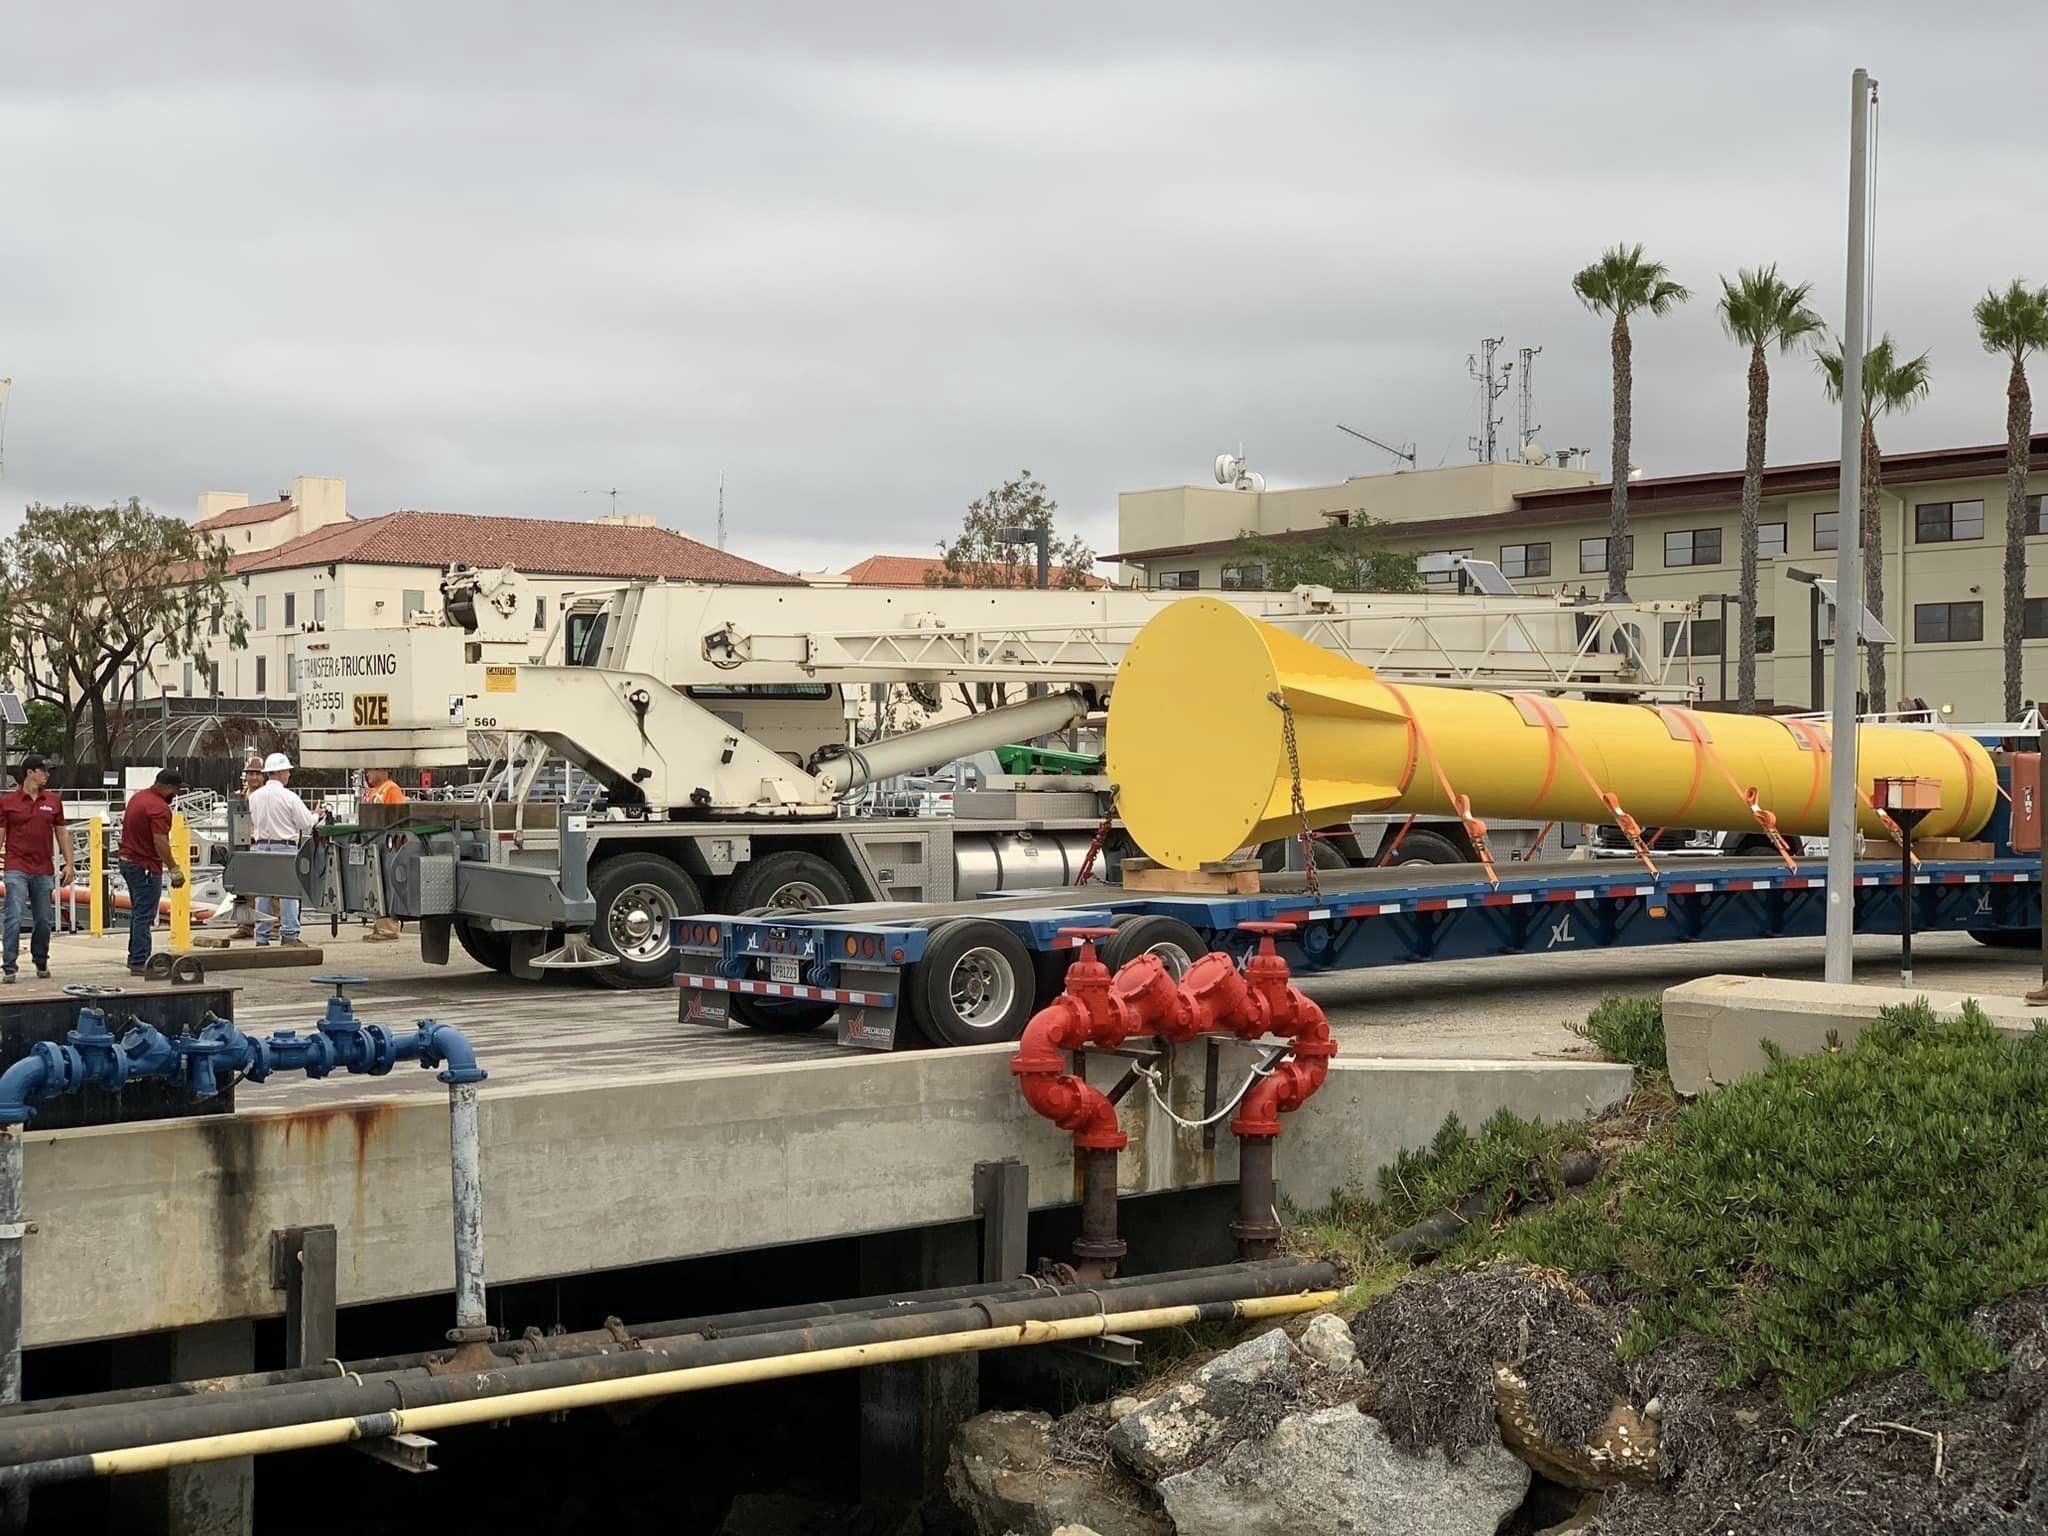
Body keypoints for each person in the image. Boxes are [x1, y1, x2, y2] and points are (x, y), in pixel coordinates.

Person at [0, 754, 76, 984]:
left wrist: (69, 863)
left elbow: (62, 832)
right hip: (16, 865)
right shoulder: (8, 802)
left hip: (43, 866)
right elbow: (1, 832)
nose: (47, 774)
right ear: (30, 772)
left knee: (43, 919)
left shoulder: (53, 801)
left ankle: (40, 957)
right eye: (43, 770)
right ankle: (9, 965)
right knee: (13, 914)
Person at [117, 767, 183, 978]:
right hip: (144, 865)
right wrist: (174, 868)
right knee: (144, 914)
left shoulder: (139, 798)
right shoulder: (159, 808)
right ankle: (140, 960)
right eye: (176, 790)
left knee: (138, 912)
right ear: (170, 788)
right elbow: (160, 841)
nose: (177, 795)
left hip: (127, 861)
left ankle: (134, 956)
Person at [250, 752, 317, 948]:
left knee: (263, 893)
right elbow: (306, 824)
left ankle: (261, 937)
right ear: (279, 773)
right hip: (285, 847)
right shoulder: (289, 797)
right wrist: (316, 816)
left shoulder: (255, 797)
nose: (289, 774)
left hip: (261, 846)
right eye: (287, 771)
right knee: (289, 893)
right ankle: (289, 935)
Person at [362, 768, 406, 941]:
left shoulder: (391, 789)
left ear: (381, 770)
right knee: (377, 885)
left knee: (387, 885)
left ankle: (388, 928)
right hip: (376, 843)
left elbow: (399, 816)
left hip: (387, 844)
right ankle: (379, 926)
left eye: (370, 770)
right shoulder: (374, 791)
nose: (368, 775)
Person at [231, 756, 265, 939]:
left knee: (267, 887)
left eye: (257, 774)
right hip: (243, 846)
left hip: (262, 844)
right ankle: (245, 926)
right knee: (243, 888)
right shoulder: (240, 796)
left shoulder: (268, 795)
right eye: (250, 773)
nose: (253, 778)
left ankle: (273, 925)